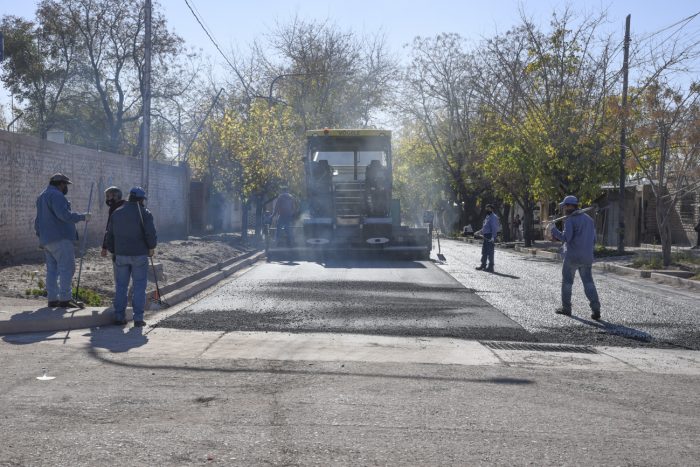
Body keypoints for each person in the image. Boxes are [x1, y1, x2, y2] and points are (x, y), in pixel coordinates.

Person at [34, 173, 91, 308]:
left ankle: (52, 299)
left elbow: (37, 221)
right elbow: (64, 215)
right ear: (60, 184)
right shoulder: (57, 196)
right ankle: (65, 299)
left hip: (47, 240)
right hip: (60, 238)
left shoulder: (42, 196)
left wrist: (40, 237)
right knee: (67, 268)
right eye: (65, 184)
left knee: (52, 270)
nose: (66, 187)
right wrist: (83, 217)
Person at [105, 187, 157, 327]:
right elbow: (150, 234)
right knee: (139, 286)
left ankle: (119, 316)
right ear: (140, 200)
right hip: (139, 255)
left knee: (121, 286)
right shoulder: (145, 213)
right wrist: (151, 247)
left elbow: (109, 235)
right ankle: (138, 319)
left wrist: (114, 251)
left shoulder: (117, 213)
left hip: (121, 255)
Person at [550, 195, 601, 320]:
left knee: (567, 282)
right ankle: (596, 309)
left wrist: (553, 229)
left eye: (564, 206)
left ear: (569, 206)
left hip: (572, 256)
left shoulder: (570, 220)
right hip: (587, 257)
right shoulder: (589, 220)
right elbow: (594, 240)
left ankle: (566, 308)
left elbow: (566, 238)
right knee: (589, 283)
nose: (563, 209)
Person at [475, 204, 499, 272]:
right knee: (484, 251)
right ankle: (483, 265)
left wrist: (493, 237)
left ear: (492, 209)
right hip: (485, 236)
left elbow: (494, 228)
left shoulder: (493, 217)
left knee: (490, 252)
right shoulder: (488, 217)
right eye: (486, 209)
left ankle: (491, 267)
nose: (487, 210)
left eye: (488, 209)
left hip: (490, 236)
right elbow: (485, 228)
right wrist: (479, 232)